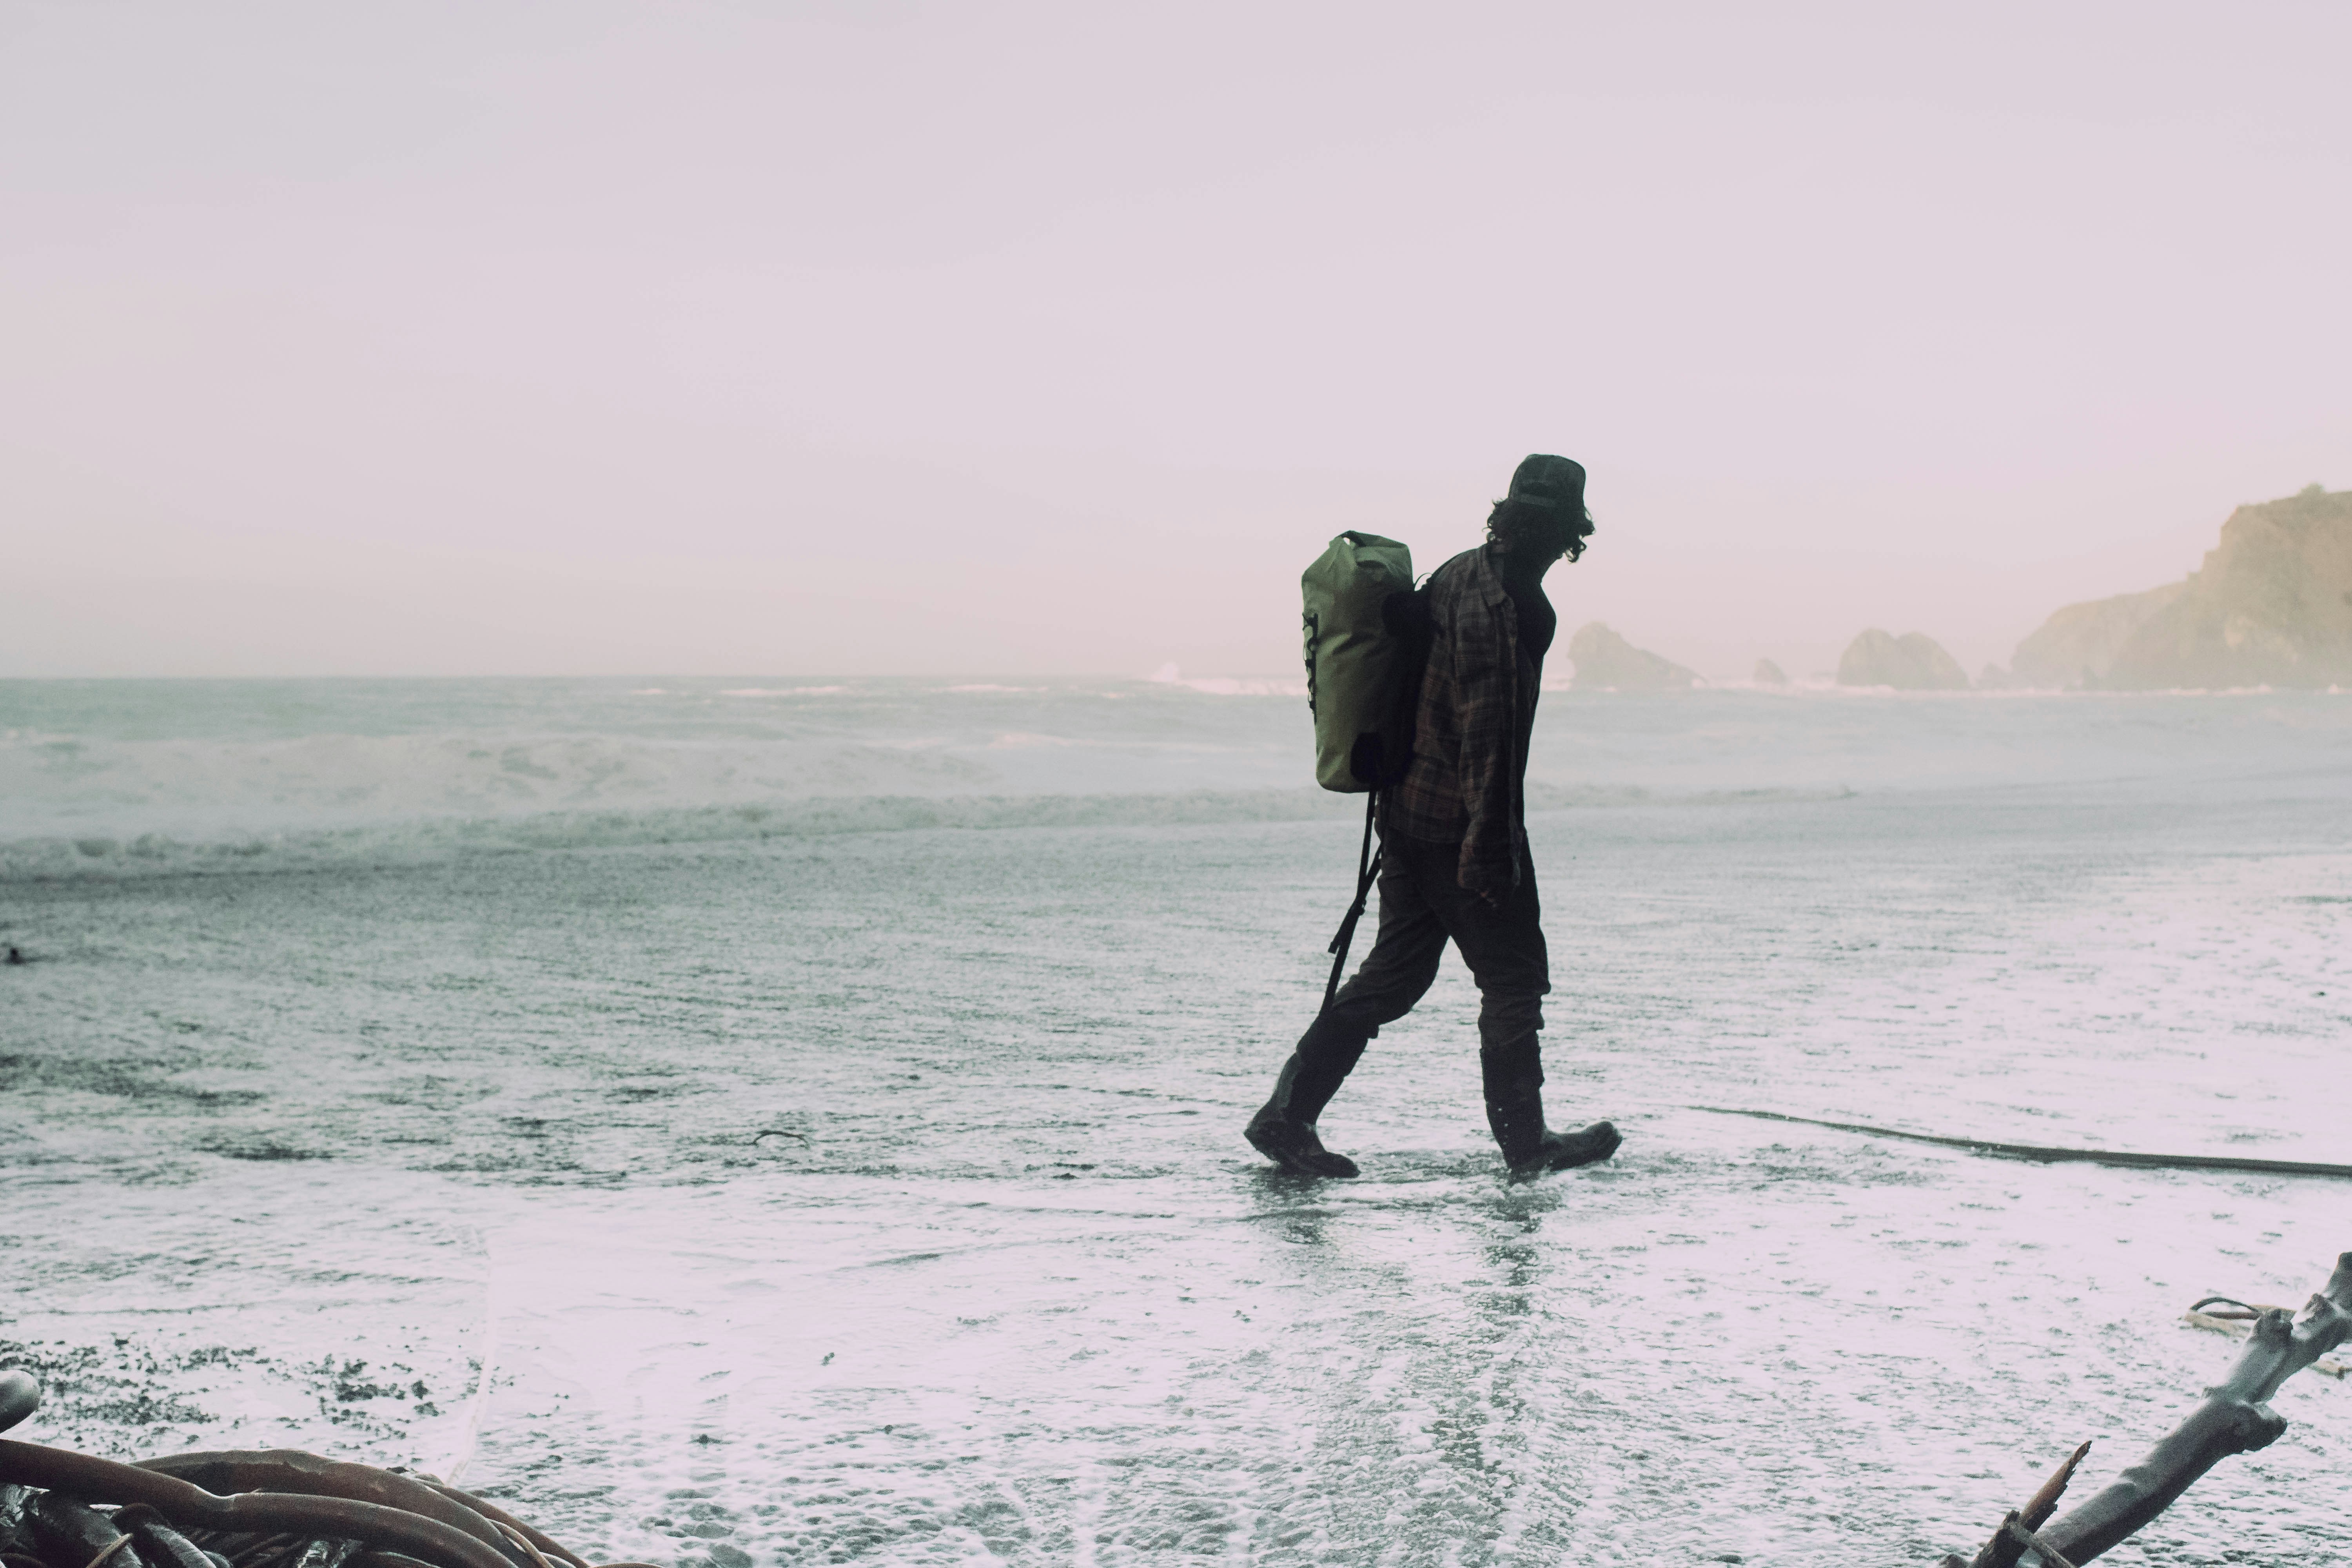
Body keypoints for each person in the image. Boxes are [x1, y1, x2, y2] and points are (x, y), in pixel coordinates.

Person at [1247, 454, 1623, 1179]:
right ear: (1568, 531)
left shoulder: (1457, 572)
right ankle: (1527, 1144)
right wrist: (1490, 849)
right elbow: (1488, 738)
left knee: (1394, 976)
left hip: (1407, 813)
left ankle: (1285, 1116)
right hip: (1460, 823)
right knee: (1513, 980)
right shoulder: (1513, 607)